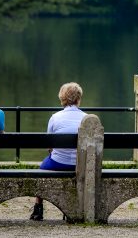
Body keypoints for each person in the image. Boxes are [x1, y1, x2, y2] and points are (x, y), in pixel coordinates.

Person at [30, 82, 86, 221]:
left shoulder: (55, 117)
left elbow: (49, 145)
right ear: (78, 99)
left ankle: (38, 209)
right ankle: (73, 208)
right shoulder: (87, 118)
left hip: (58, 163)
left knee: (41, 170)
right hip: (81, 164)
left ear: (62, 98)